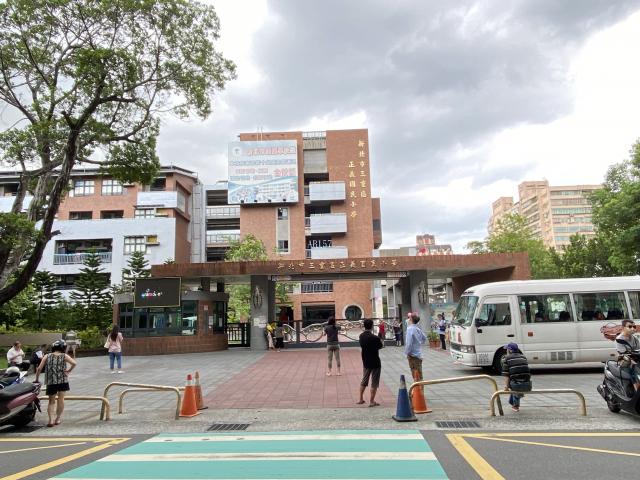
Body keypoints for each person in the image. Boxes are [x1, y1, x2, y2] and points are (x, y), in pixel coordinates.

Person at [34, 339, 76, 427]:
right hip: (62, 381)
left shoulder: (47, 356)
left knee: (51, 402)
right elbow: (74, 363)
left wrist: (37, 379)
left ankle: (51, 420)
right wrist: (68, 371)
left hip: (51, 382)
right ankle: (57, 419)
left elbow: (39, 369)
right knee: (61, 400)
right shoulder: (64, 356)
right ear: (63, 347)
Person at [357, 319, 383, 407]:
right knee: (374, 382)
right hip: (375, 361)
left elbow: (362, 346)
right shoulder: (375, 338)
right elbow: (380, 346)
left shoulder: (361, 336)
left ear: (364, 326)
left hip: (366, 361)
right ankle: (372, 401)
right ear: (372, 326)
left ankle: (360, 398)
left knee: (364, 380)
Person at [501, 342, 532, 412]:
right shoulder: (523, 357)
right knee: (517, 378)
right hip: (527, 384)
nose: (506, 351)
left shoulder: (506, 359)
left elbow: (506, 375)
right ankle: (515, 401)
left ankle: (516, 405)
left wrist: (506, 387)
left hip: (517, 385)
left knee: (514, 381)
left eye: (507, 349)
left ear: (510, 350)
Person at [615, 319, 640, 391]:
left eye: (634, 326)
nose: (632, 328)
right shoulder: (619, 339)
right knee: (635, 372)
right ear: (623, 328)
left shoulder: (635, 338)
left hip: (636, 360)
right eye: (630, 326)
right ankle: (636, 391)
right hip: (625, 361)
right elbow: (623, 354)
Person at [404, 313, 426, 381]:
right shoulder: (417, 328)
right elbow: (424, 338)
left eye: (409, 318)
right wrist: (419, 343)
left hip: (413, 355)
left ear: (411, 319)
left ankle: (419, 388)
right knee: (419, 375)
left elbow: (409, 343)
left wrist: (407, 353)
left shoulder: (410, 329)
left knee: (416, 377)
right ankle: (420, 387)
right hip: (418, 354)